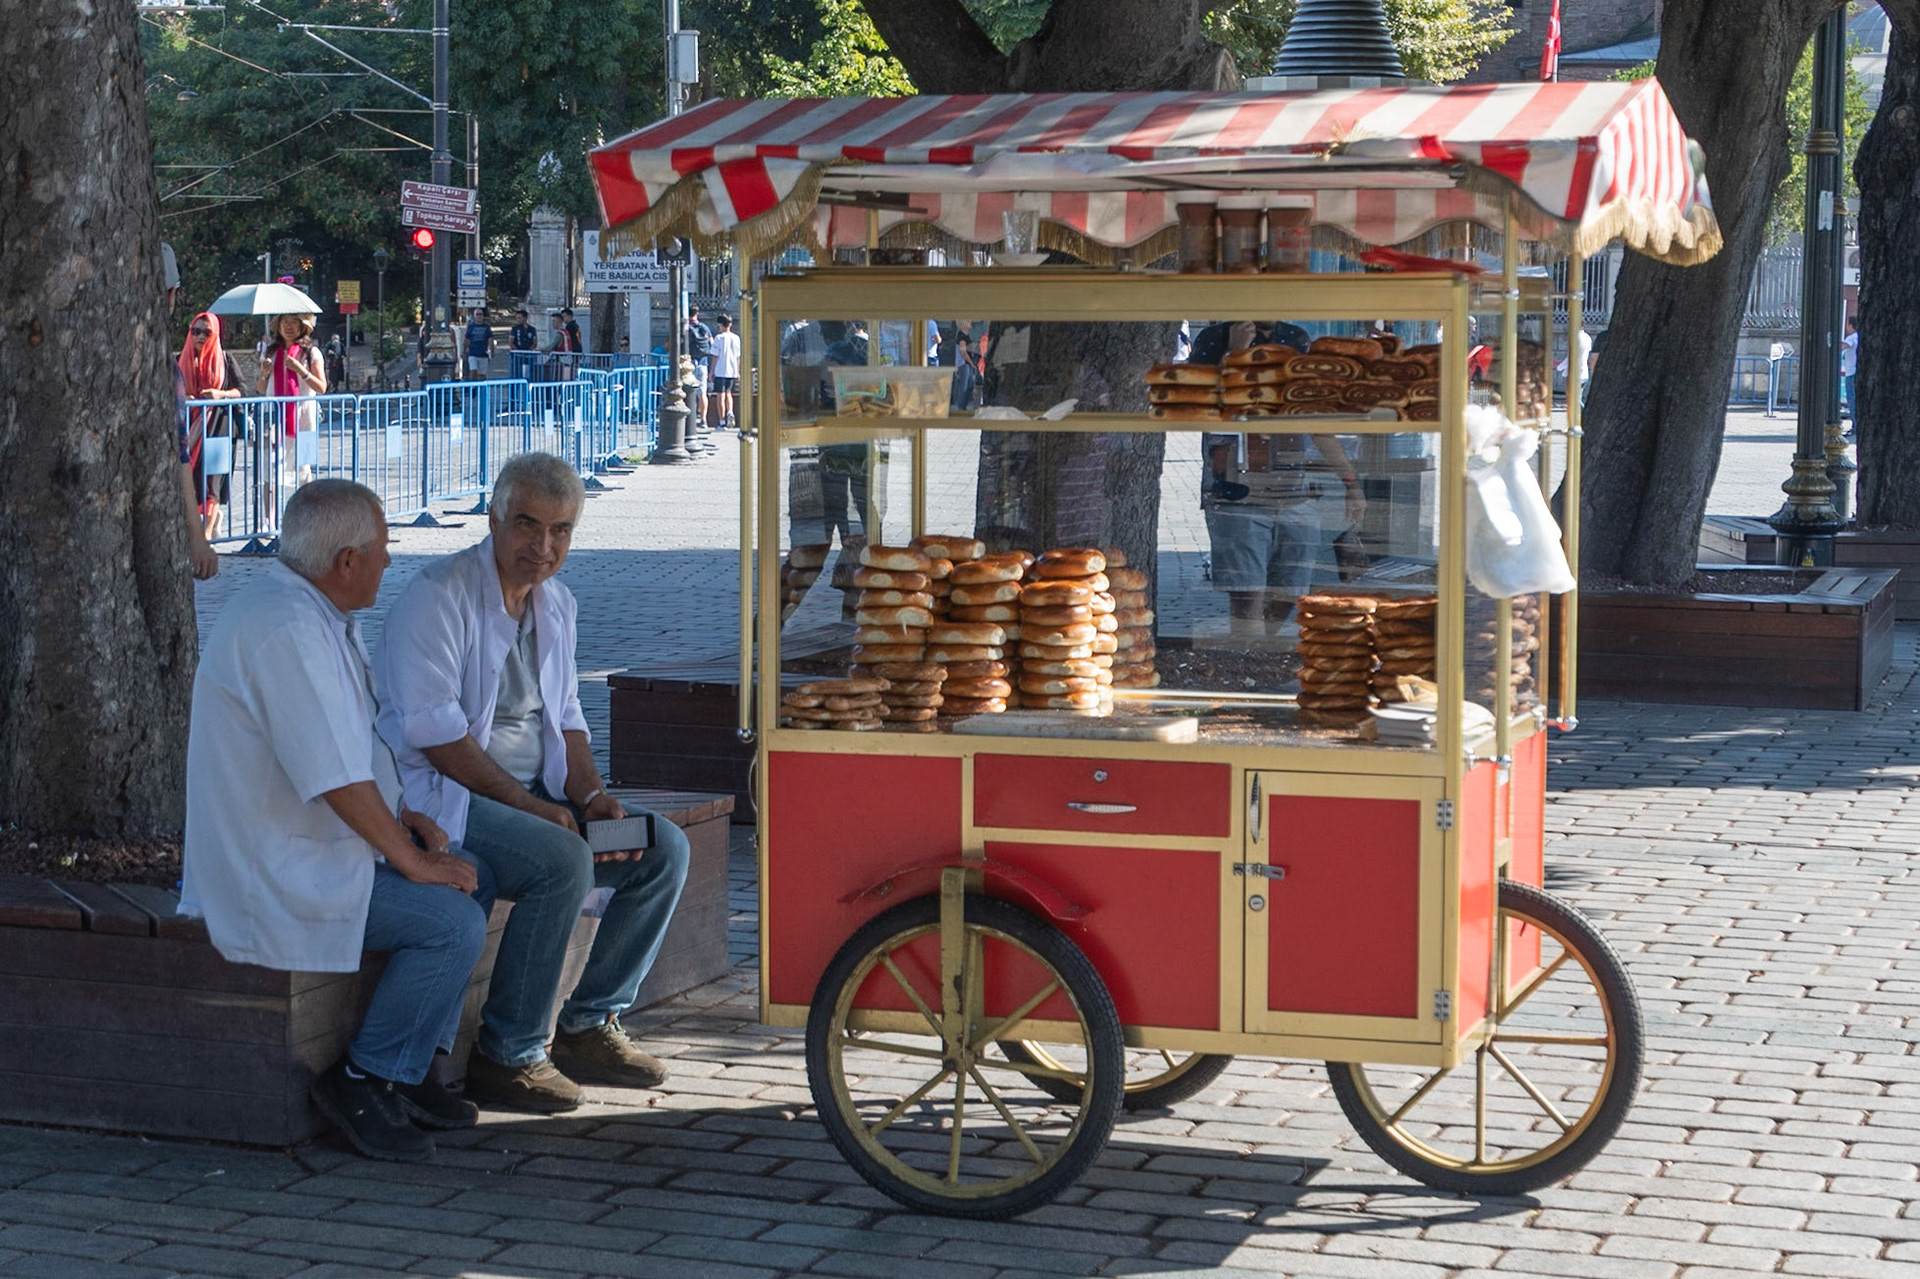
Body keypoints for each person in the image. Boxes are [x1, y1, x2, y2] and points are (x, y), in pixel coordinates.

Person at [373, 453, 692, 1113]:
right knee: (561, 857)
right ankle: (509, 1053)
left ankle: (588, 1022)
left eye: (560, 531)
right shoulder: (438, 596)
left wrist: (591, 796)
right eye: (526, 524)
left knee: (660, 849)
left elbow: (567, 719)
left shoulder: (557, 604)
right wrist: (532, 808)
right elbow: (437, 738)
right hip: (450, 802)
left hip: (540, 800)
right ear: (493, 518)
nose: (542, 546)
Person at [182, 480, 486, 1162]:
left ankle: (410, 1071)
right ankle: (364, 1078)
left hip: (316, 848)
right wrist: (410, 860)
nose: (388, 562)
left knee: (475, 875)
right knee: (452, 921)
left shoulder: (308, 609)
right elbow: (334, 776)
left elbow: (354, 745)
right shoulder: (284, 625)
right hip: (272, 870)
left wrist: (407, 816)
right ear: (346, 560)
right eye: (382, 550)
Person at [178, 311, 244, 543]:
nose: (200, 337)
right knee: (190, 480)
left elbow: (241, 390)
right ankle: (196, 531)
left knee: (212, 483)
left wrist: (220, 394)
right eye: (195, 331)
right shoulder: (179, 360)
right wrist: (183, 397)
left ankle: (205, 538)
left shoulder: (225, 360)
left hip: (219, 426)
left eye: (206, 332)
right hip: (188, 429)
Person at [257, 313, 326, 493]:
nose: (289, 327)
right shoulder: (270, 352)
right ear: (278, 327)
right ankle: (269, 519)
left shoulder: (311, 353)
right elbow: (261, 389)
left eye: (294, 322)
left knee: (304, 471)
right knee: (270, 471)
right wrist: (264, 373)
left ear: (302, 327)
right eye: (284, 323)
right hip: (275, 420)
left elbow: (321, 387)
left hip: (303, 421)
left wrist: (301, 370)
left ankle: (305, 516)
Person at [709, 313, 740, 430]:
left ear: (720, 325)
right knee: (729, 393)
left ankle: (722, 421)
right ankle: (730, 411)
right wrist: (737, 371)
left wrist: (711, 371)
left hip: (721, 369)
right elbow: (738, 356)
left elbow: (715, 356)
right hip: (732, 370)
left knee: (720, 395)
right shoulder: (736, 338)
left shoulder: (719, 338)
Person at [684, 306, 712, 427]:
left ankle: (690, 419)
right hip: (703, 362)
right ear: (697, 313)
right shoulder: (704, 327)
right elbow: (712, 343)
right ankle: (704, 419)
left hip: (688, 364)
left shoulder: (686, 327)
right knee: (702, 393)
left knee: (688, 392)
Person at [508, 308, 540, 381]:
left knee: (529, 374)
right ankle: (515, 391)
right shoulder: (515, 329)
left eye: (520, 318)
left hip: (529, 355)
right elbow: (511, 342)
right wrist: (517, 350)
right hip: (517, 355)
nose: (518, 320)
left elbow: (534, 342)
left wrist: (530, 349)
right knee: (516, 374)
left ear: (525, 318)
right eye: (517, 318)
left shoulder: (532, 329)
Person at [463, 308, 493, 380]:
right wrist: (464, 352)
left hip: (483, 353)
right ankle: (473, 387)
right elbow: (466, 340)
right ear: (474, 316)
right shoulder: (471, 327)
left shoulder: (486, 327)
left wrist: (492, 350)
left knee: (482, 374)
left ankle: (481, 389)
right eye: (477, 314)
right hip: (473, 353)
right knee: (473, 371)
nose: (479, 316)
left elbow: (490, 339)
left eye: (480, 314)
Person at [1842, 315, 1859, 420]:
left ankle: (1855, 425)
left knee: (1851, 399)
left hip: (1851, 372)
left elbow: (1843, 346)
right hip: (1855, 371)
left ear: (1851, 325)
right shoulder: (1858, 336)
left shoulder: (1851, 337)